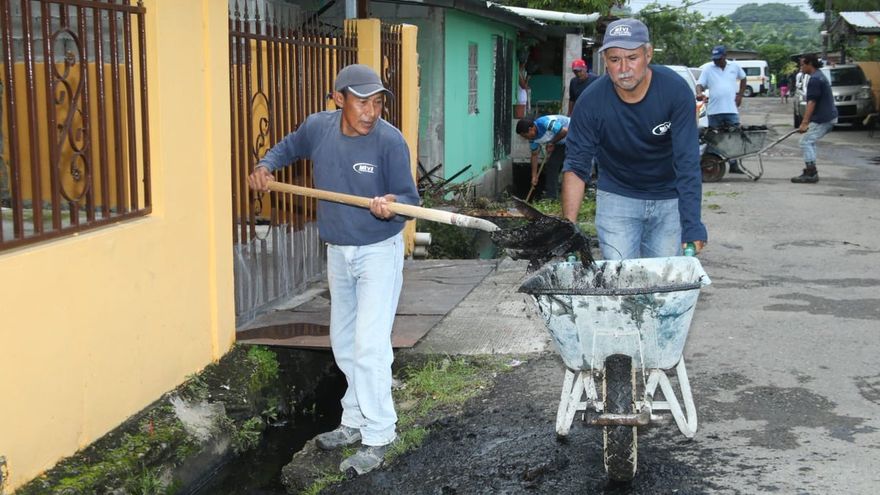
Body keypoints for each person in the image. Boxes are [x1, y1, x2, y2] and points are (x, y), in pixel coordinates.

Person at [247, 64, 418, 475]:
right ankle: (354, 419)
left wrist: (391, 205)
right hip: (339, 251)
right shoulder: (318, 128)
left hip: (378, 251)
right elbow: (288, 146)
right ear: (339, 99)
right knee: (343, 342)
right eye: (362, 103)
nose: (371, 112)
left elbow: (410, 201)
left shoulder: (389, 141)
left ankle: (380, 434)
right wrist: (266, 166)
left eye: (378, 103)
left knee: (370, 344)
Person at [562, 18, 707, 259]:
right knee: (620, 275)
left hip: (669, 197)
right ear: (605, 60)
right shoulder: (590, 102)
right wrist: (567, 231)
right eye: (614, 59)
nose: (623, 68)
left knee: (662, 278)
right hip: (617, 197)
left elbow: (687, 161)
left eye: (632, 58)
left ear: (648, 54)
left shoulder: (676, 92)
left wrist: (692, 224)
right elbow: (576, 166)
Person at [696, 45, 747, 173]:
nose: (716, 61)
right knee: (713, 139)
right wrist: (699, 93)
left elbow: (743, 78)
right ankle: (710, 162)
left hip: (731, 110)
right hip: (714, 111)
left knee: (734, 138)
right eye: (714, 59)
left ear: (724, 56)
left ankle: (734, 164)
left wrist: (740, 95)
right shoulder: (708, 68)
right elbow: (699, 84)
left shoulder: (734, 67)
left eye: (718, 58)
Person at [792, 54, 837, 184]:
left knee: (805, 142)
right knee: (809, 141)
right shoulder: (819, 76)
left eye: (802, 64)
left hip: (823, 118)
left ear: (810, 64)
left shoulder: (815, 79)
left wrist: (804, 122)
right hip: (827, 116)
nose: (801, 67)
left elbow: (812, 102)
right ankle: (811, 170)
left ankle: (811, 172)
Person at [516, 114, 570, 200]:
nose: (526, 138)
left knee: (569, 165)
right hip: (561, 142)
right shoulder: (532, 139)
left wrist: (552, 142)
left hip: (574, 134)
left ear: (531, 129)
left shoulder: (545, 123)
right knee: (552, 165)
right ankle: (551, 197)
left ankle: (581, 188)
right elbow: (534, 154)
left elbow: (564, 131)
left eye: (526, 136)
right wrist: (534, 176)